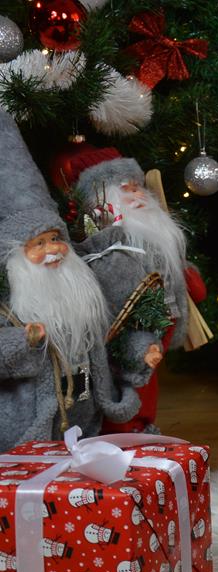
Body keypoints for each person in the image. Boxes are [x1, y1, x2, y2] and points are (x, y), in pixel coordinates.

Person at [0, 110, 157, 450]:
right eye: (39, 244)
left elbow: (114, 339)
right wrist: (23, 339)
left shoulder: (84, 293)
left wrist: (142, 350)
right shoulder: (9, 306)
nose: (53, 250)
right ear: (14, 256)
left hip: (85, 425)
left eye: (56, 239)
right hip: (27, 433)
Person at [51, 144, 207, 433]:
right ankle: (121, 431)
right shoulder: (108, 246)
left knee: (148, 381)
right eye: (127, 190)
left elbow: (175, 272)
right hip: (127, 330)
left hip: (159, 325)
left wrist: (186, 276)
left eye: (138, 188)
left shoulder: (154, 236)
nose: (137, 195)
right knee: (124, 380)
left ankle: (143, 424)